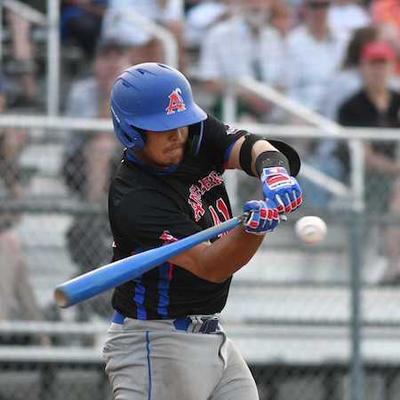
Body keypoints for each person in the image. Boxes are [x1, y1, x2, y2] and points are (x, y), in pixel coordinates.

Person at [102, 63, 303, 400]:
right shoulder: (135, 197)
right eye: (162, 128)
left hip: (209, 332)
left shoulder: (191, 133)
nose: (176, 135)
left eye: (179, 124)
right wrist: (253, 230)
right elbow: (211, 266)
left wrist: (272, 170)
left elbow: (247, 146)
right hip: (156, 343)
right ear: (132, 132)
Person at [63, 40, 129, 320]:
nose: (112, 64)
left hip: (124, 163)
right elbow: (83, 135)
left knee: (108, 147)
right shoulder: (82, 91)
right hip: (80, 164)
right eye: (106, 57)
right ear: (95, 63)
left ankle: (100, 215)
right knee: (100, 145)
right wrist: (108, 96)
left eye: (118, 56)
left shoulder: (136, 90)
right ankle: (94, 211)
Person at [337, 41, 400, 283]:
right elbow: (364, 155)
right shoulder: (352, 106)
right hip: (363, 178)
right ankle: (395, 265)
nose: (378, 71)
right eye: (373, 65)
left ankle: (393, 264)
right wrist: (396, 170)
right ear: (362, 67)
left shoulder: (397, 101)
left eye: (382, 64)